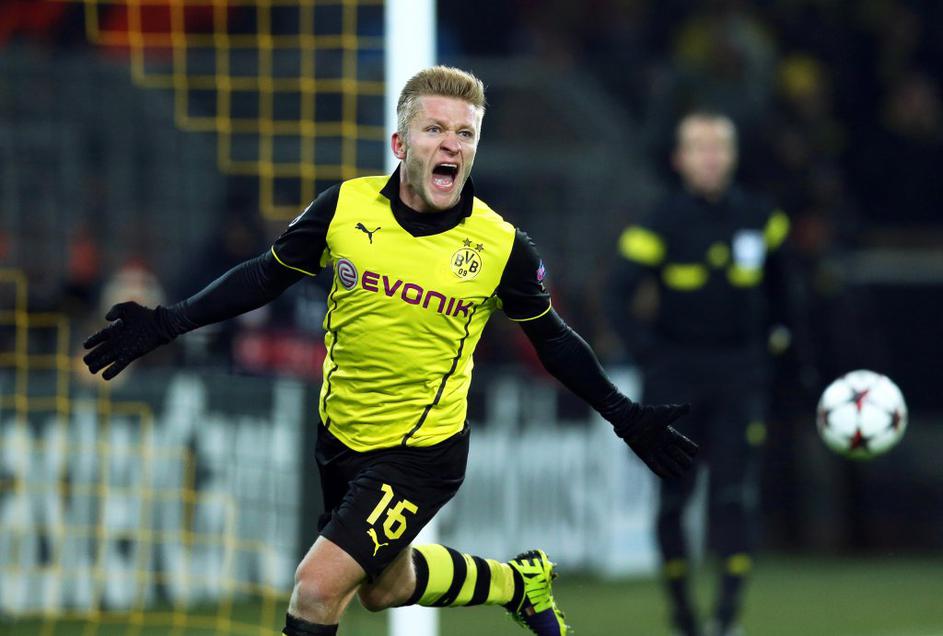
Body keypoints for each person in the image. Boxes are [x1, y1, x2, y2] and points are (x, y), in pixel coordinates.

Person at [83, 66, 698, 636]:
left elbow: (554, 340)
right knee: (386, 588)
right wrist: (168, 322)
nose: (452, 144)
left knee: (315, 588)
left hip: (422, 452)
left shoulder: (500, 246)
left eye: (465, 133)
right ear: (401, 144)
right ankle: (517, 582)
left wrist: (624, 415)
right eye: (435, 129)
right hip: (341, 437)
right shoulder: (345, 208)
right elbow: (266, 275)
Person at [608, 111, 799, 636]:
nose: (711, 157)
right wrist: (649, 355)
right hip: (675, 380)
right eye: (700, 147)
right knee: (674, 498)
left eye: (720, 146)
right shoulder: (659, 222)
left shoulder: (762, 218)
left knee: (735, 497)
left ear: (733, 156)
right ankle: (684, 616)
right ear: (680, 159)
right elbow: (617, 296)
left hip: (740, 375)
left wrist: (781, 354)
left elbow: (787, 294)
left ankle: (727, 616)